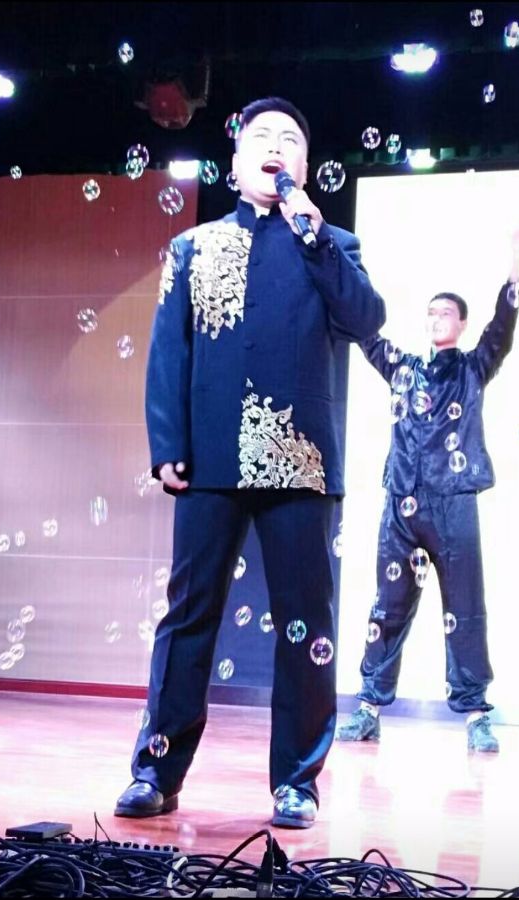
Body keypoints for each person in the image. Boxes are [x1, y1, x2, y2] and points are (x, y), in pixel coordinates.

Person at [114, 97, 385, 828]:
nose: (275, 146)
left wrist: (316, 237)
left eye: (290, 139)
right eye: (261, 137)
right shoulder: (192, 247)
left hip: (300, 461)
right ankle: (155, 770)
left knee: (306, 623)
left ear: (304, 167)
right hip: (209, 458)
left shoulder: (334, 244)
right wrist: (167, 445)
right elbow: (169, 350)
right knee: (188, 616)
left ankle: (297, 781)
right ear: (235, 165)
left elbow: (366, 319)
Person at [336, 223, 519, 752]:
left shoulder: (473, 368)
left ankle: (476, 716)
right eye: (430, 312)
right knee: (387, 607)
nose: (436, 318)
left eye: (446, 312)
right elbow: (367, 337)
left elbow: (502, 329)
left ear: (461, 324)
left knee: (465, 608)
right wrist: (344, 271)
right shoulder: (403, 369)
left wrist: (515, 264)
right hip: (402, 502)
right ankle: (369, 709)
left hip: (454, 501)